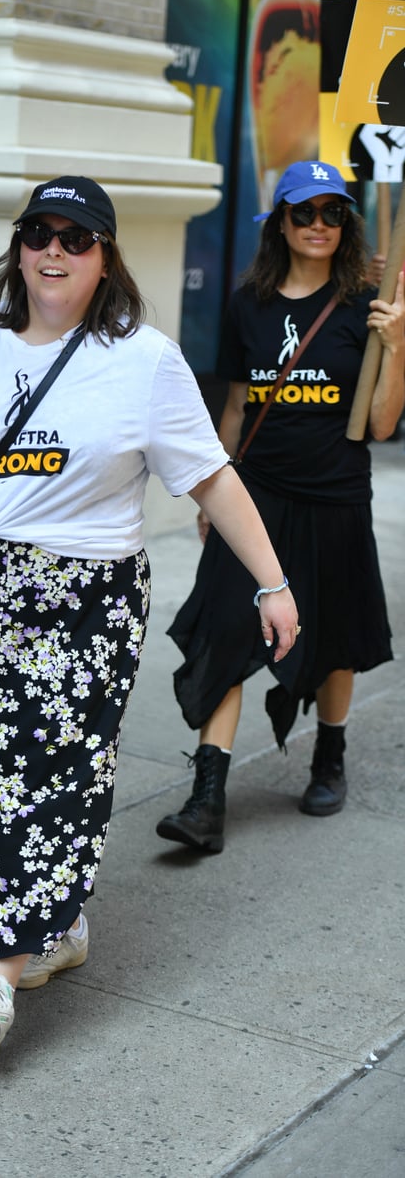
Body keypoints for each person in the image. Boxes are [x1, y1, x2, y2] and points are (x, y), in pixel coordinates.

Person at [0, 175, 299, 1060]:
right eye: (39, 233)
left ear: (105, 259)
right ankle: (57, 929)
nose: (54, 250)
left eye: (77, 237)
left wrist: (272, 583)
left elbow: (211, 475)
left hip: (85, 597)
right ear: (18, 247)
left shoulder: (143, 359)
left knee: (40, 774)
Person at [157, 160, 405, 856]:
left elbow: (383, 424)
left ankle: (330, 753)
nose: (319, 226)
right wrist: (216, 490)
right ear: (282, 222)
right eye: (305, 213)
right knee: (227, 628)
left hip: (335, 496)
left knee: (332, 637)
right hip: (257, 497)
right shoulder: (249, 305)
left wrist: (399, 343)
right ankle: (207, 798)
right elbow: (236, 406)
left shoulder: (368, 305)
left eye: (333, 214)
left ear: (347, 225)